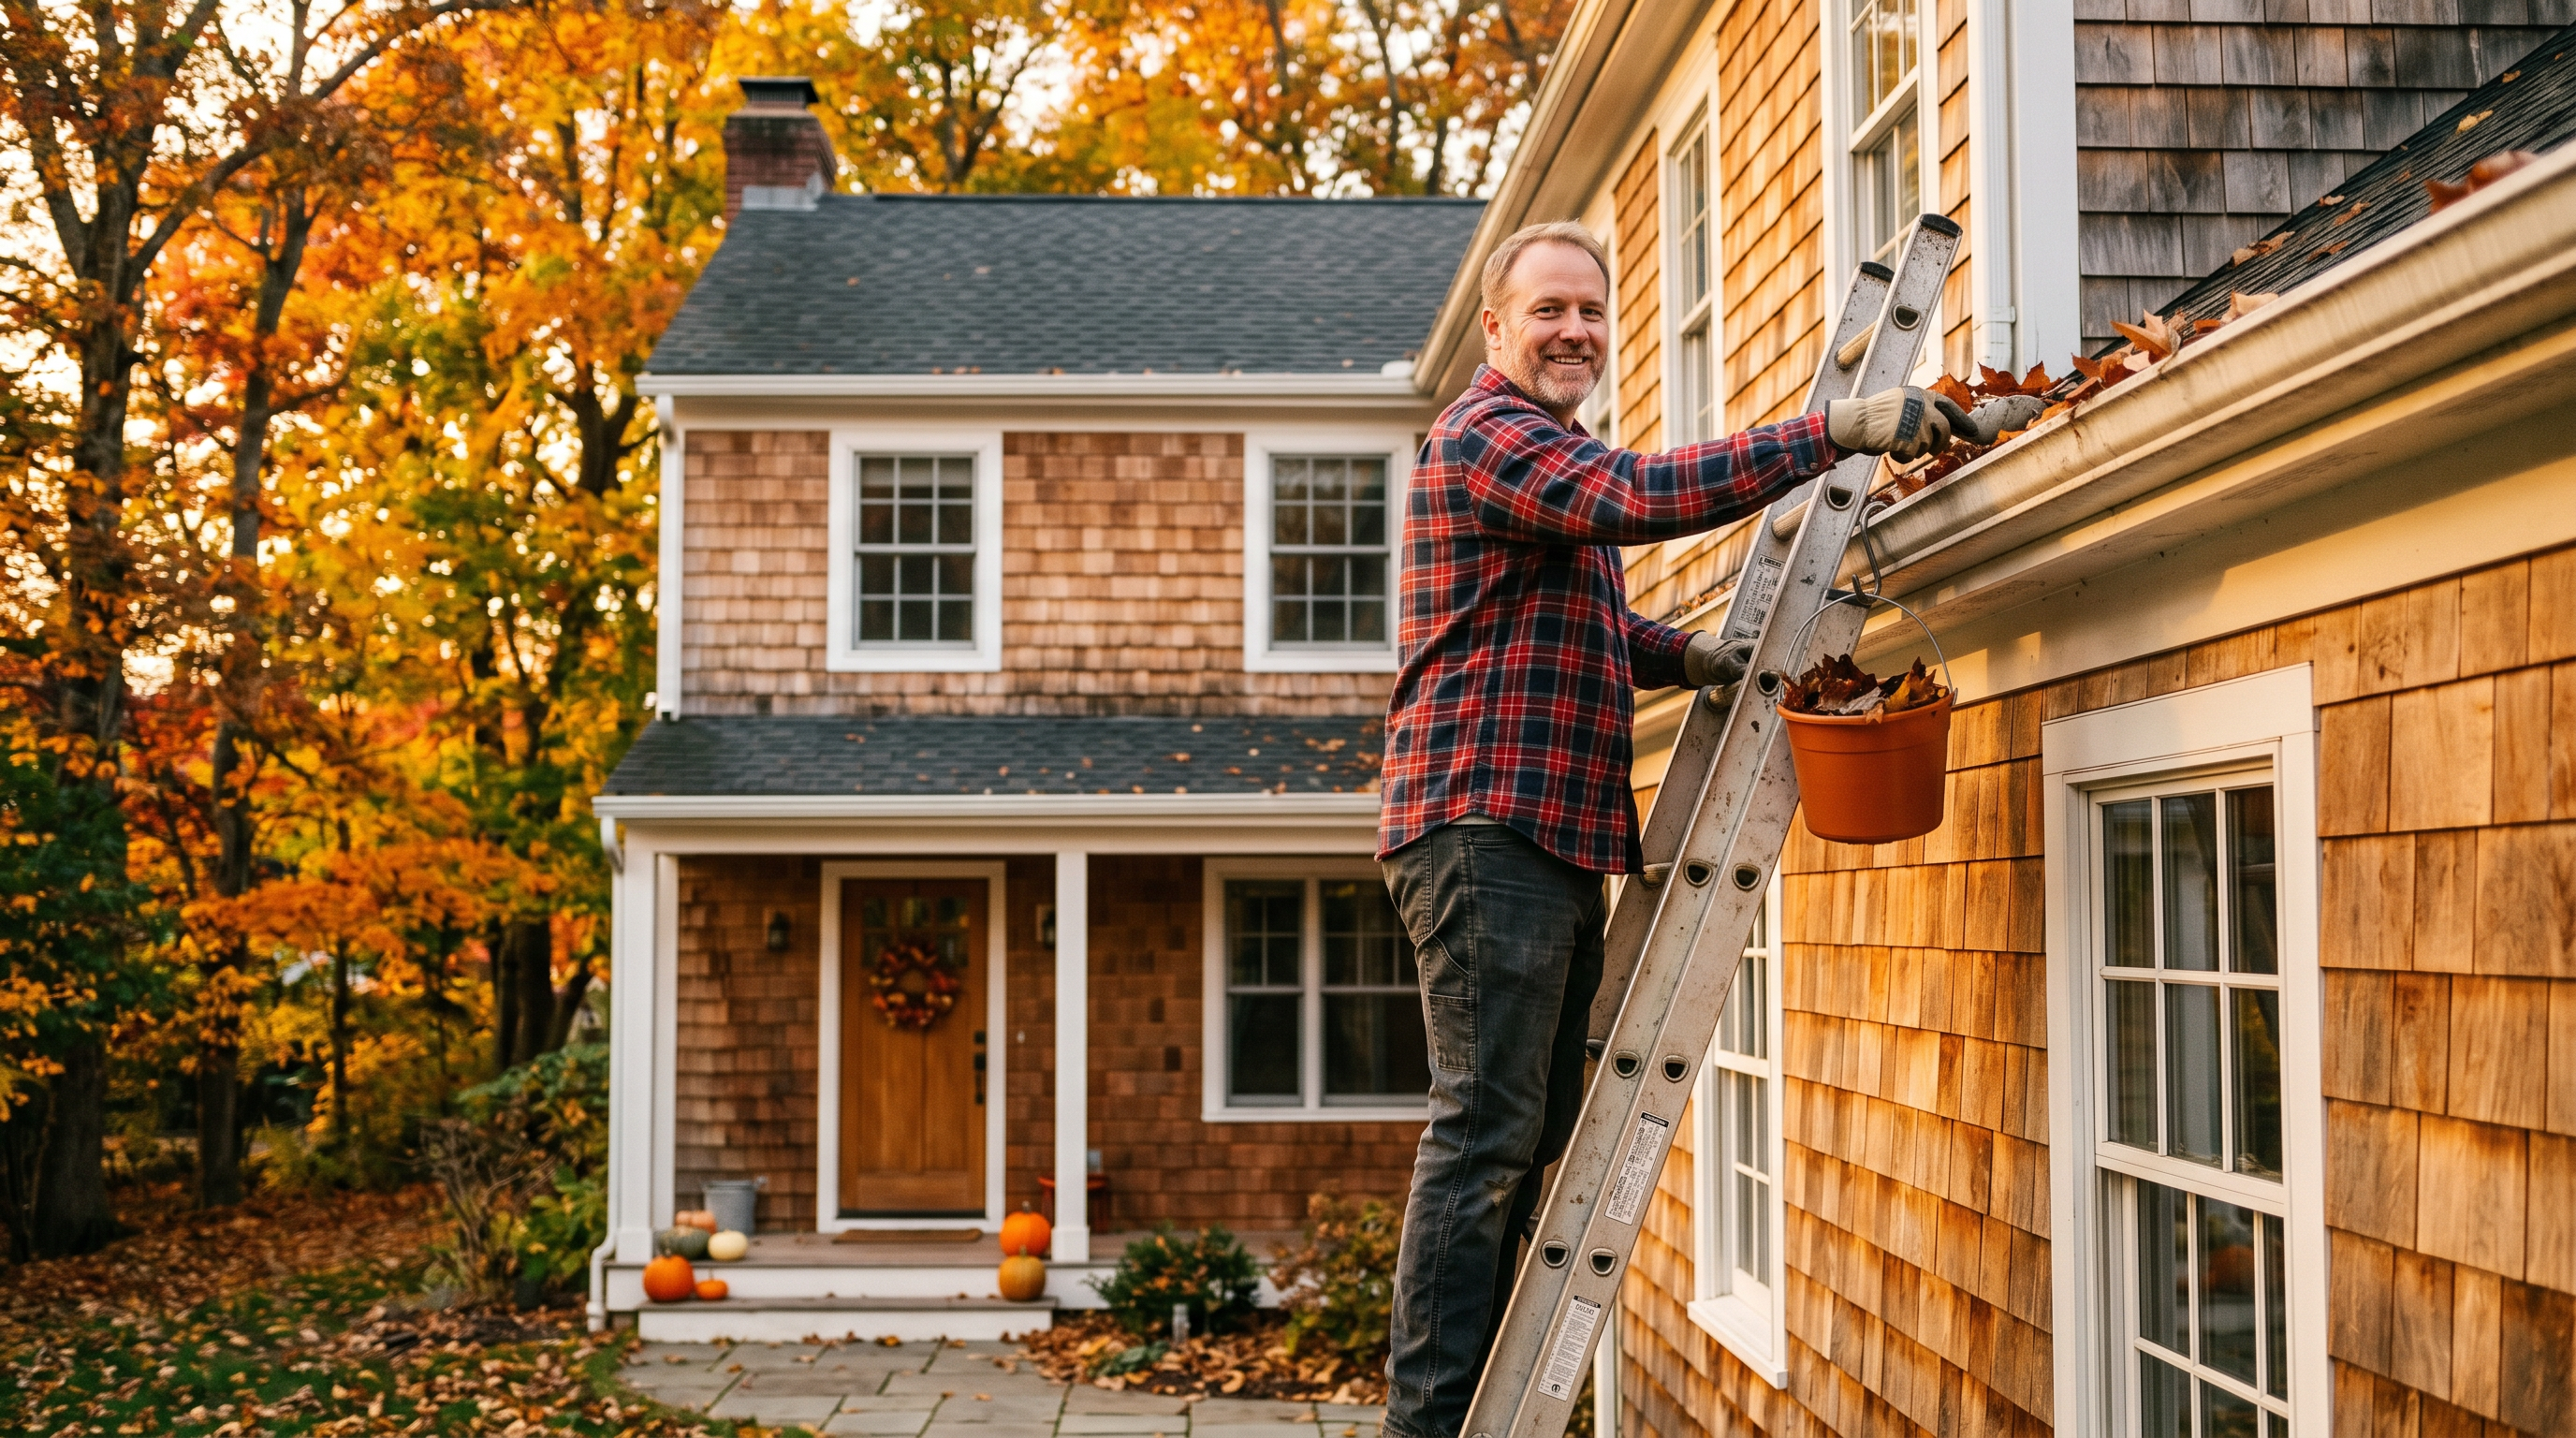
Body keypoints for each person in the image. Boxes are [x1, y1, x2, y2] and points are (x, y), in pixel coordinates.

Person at [1374, 220, 2023, 1438]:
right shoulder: (1488, 437)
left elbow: (1565, 629)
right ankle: (1429, 1424)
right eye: (1550, 309)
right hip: (1482, 822)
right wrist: (1832, 430)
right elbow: (1640, 498)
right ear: (1495, 329)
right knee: (1485, 1130)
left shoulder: (1540, 451)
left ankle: (1468, 1408)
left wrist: (1690, 656)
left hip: (1550, 832)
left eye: (1590, 312)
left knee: (1532, 1135)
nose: (1574, 330)